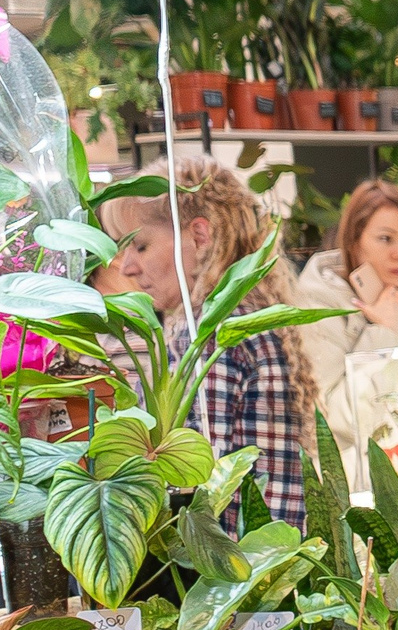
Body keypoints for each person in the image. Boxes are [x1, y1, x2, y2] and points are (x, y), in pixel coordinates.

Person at [102, 158, 314, 524]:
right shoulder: (250, 313)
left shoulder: (211, 331)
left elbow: (197, 480)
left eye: (140, 246)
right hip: (275, 554)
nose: (126, 268)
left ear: (199, 237)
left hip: (236, 565)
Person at [296, 177, 398, 482]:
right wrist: (386, 334)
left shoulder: (397, 296)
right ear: (354, 240)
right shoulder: (317, 305)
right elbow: (335, 421)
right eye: (386, 238)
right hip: (349, 487)